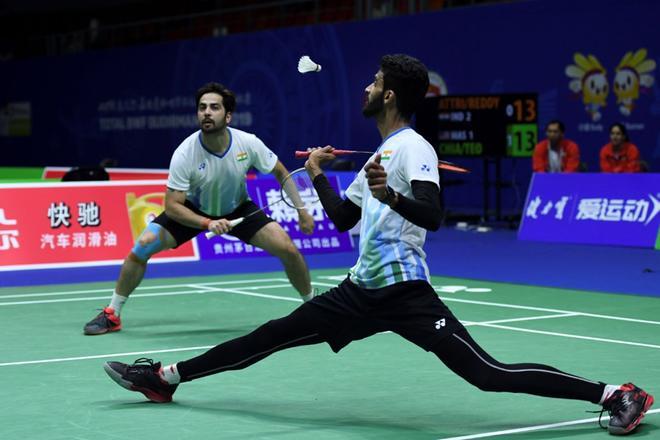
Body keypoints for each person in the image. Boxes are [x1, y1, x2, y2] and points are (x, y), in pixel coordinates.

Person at [102, 55, 653, 436]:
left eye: (372, 83)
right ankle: (167, 378)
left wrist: (391, 196)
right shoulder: (378, 157)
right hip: (359, 292)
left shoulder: (413, 148)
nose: (364, 88)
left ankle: (614, 393)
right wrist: (318, 174)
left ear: (388, 94)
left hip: (408, 295)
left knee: (488, 374)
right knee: (267, 337)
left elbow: (434, 215)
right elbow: (343, 220)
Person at [84, 82, 316, 335]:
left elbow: (281, 172)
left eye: (214, 107)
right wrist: (207, 223)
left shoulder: (247, 143)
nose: (206, 112)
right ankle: (113, 313)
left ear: (227, 116)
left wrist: (302, 210)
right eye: (202, 107)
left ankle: (313, 308)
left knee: (288, 249)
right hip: (194, 210)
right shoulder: (185, 152)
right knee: (142, 246)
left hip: (238, 208)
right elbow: (172, 207)